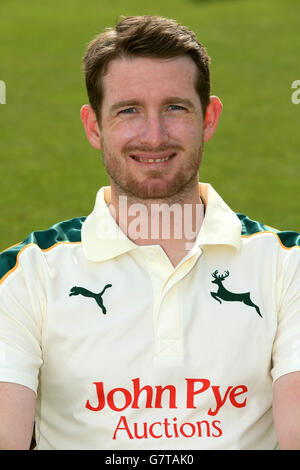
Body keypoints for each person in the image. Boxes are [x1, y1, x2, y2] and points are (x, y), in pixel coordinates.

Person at [0, 15, 299, 451]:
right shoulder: (24, 274)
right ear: (94, 126)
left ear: (209, 119)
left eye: (175, 108)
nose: (154, 136)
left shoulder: (287, 266)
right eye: (128, 110)